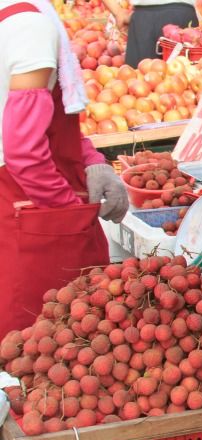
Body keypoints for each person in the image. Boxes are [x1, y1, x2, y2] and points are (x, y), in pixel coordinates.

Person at [0, 0, 128, 335]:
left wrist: (90, 159)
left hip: (20, 200)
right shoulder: (30, 25)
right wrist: (70, 215)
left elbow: (41, 123)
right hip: (28, 205)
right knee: (44, 341)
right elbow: (24, 150)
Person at [101, 0, 197, 66]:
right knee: (185, 80)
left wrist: (118, 12)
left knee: (140, 83)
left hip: (144, 19)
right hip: (181, 14)